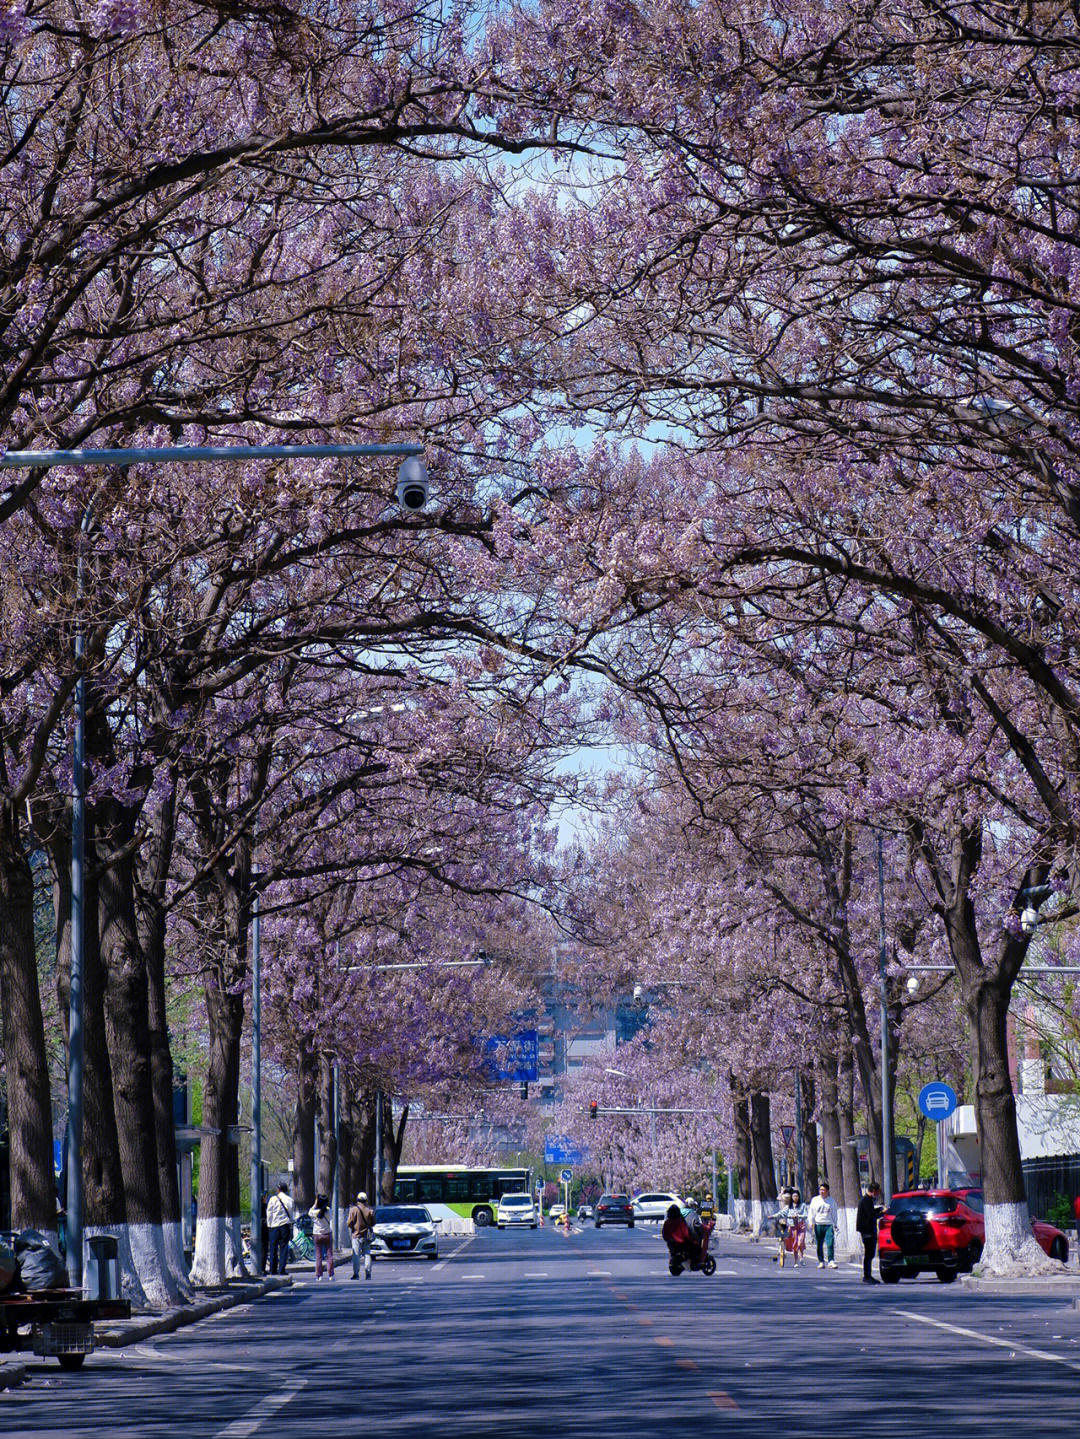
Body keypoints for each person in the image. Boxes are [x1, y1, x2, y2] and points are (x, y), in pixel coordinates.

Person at [856, 1180, 885, 1284]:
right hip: (867, 1231)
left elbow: (871, 1211)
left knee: (870, 1254)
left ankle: (868, 1275)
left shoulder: (867, 1200)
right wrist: (882, 1213)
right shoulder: (866, 1200)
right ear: (873, 1191)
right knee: (869, 1254)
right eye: (877, 1192)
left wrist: (879, 1209)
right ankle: (867, 1275)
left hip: (868, 1230)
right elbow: (871, 1216)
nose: (877, 1194)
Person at [807, 1181, 839, 1268]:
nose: (822, 1192)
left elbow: (834, 1214)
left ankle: (831, 1261)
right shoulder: (815, 1200)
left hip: (828, 1224)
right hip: (818, 1224)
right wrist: (811, 1222)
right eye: (820, 1190)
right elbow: (811, 1212)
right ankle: (821, 1261)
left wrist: (835, 1224)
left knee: (830, 1243)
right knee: (819, 1244)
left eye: (823, 1190)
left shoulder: (831, 1201)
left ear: (827, 1191)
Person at [266, 1182, 295, 1276]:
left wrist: (269, 1224)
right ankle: (282, 1269)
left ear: (278, 1189)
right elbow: (291, 1213)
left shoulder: (273, 1199)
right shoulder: (290, 1200)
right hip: (285, 1225)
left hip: (274, 1226)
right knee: (284, 1248)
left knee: (273, 1248)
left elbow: (269, 1213)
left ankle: (272, 1269)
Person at [347, 1190, 375, 1280]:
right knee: (367, 1254)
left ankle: (356, 1274)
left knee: (356, 1255)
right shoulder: (370, 1210)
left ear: (358, 1200)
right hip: (366, 1236)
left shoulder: (353, 1210)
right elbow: (373, 1223)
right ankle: (368, 1273)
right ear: (366, 1200)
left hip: (356, 1235)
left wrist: (354, 1228)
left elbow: (349, 1223)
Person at [310, 1193, 334, 1279]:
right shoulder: (329, 1211)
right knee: (329, 1255)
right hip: (327, 1233)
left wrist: (315, 1204)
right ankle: (331, 1275)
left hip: (317, 1235)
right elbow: (330, 1217)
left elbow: (310, 1211)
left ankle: (319, 1275)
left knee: (318, 1256)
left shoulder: (313, 1212)